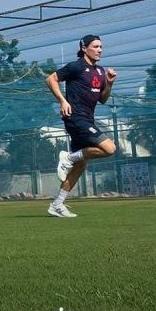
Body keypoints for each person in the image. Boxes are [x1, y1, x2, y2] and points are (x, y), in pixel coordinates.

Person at [45, 34, 117, 217]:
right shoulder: (76, 66)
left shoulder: (100, 71)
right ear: (84, 48)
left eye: (101, 46)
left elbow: (103, 99)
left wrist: (109, 84)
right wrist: (62, 101)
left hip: (88, 119)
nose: (99, 49)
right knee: (109, 148)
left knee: (80, 165)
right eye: (95, 46)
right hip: (75, 117)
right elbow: (51, 79)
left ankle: (57, 204)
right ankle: (68, 157)